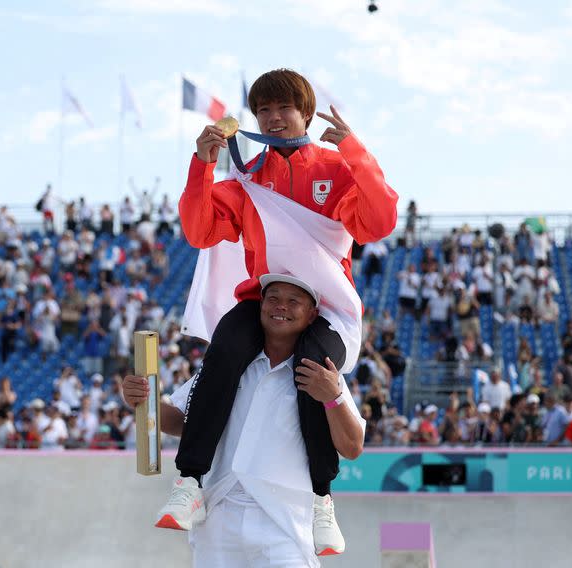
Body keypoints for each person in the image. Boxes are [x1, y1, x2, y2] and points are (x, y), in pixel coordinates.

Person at [172, 68, 397, 556]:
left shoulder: (337, 171)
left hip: (324, 308)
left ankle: (321, 498)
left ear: (306, 114)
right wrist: (201, 165)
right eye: (264, 110)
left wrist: (356, 153)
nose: (273, 118)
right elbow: (200, 231)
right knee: (223, 354)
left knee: (312, 371)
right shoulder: (249, 178)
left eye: (283, 109)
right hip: (264, 302)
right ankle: (190, 482)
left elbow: (378, 223)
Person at [123, 274, 365, 567]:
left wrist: (333, 397)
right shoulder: (228, 365)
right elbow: (184, 422)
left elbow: (352, 447)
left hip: (284, 525)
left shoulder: (325, 376)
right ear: (260, 304)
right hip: (218, 518)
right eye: (273, 298)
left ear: (312, 314)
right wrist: (143, 403)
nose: (281, 307)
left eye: (293, 301)